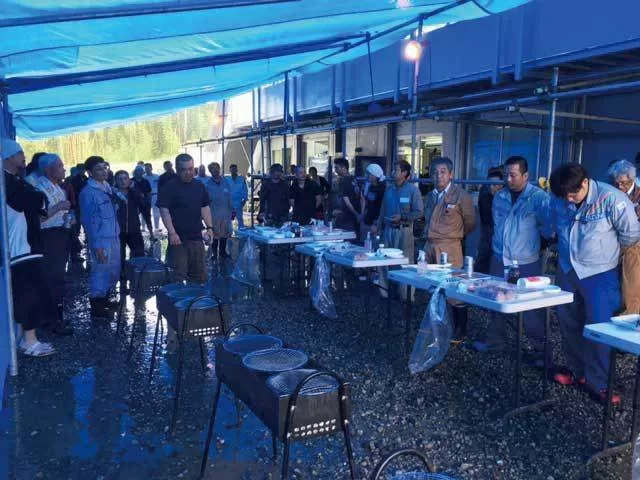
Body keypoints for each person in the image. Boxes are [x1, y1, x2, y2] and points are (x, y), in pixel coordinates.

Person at [550, 163, 640, 405]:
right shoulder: (559, 197)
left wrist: (607, 256)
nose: (568, 199)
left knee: (599, 327)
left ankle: (599, 381)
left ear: (585, 182)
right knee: (569, 323)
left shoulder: (611, 198)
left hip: (600, 273)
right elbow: (554, 226)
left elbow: (631, 235)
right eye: (564, 195)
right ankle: (577, 371)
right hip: (567, 270)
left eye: (573, 194)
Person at [472, 156, 550, 361]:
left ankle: (540, 350)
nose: (508, 179)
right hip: (500, 258)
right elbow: (495, 225)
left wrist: (534, 248)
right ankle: (495, 341)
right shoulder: (500, 196)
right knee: (495, 300)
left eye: (513, 175)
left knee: (531, 307)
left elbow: (548, 229)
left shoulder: (539, 199)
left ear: (526, 175)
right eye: (506, 174)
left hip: (526, 261)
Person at [3, 138, 57, 355]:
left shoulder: (14, 179)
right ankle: (29, 341)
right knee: (28, 294)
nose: (23, 156)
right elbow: (31, 200)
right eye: (19, 153)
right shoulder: (6, 181)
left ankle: (31, 338)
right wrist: (39, 198)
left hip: (26, 244)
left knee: (34, 291)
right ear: (7, 157)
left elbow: (38, 199)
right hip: (19, 246)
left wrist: (38, 198)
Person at [423, 157, 476, 341]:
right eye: (435, 172)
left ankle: (461, 330)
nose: (438, 176)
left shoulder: (461, 196)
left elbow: (470, 223)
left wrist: (453, 236)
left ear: (451, 174)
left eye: (443, 172)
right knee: (433, 286)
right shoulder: (431, 196)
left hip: (450, 247)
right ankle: (438, 325)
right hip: (430, 245)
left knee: (454, 290)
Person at [157, 153, 214, 284]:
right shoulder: (169, 187)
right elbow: (164, 210)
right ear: (177, 170)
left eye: (190, 169)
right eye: (184, 170)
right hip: (178, 239)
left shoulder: (199, 185)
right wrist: (172, 233)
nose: (188, 173)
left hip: (197, 238)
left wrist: (210, 228)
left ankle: (195, 297)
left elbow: (205, 207)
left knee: (199, 276)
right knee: (178, 276)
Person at [36, 154, 74, 335]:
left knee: (58, 278)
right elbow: (39, 217)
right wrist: (59, 207)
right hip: (48, 236)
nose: (64, 169)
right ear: (48, 170)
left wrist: (67, 217)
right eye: (60, 166)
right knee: (53, 278)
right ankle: (51, 321)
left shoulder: (57, 186)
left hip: (60, 233)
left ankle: (56, 316)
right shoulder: (39, 187)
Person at [79, 156, 121, 319]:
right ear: (89, 173)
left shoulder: (107, 187)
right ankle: (97, 306)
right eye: (98, 169)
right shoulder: (88, 193)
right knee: (100, 271)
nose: (104, 171)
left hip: (113, 235)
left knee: (113, 270)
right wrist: (96, 246)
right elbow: (88, 222)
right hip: (101, 239)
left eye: (105, 167)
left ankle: (105, 299)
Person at [376, 160, 423, 298]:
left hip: (404, 231)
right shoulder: (389, 189)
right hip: (387, 231)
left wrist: (402, 217)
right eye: (393, 170)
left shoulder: (413, 190)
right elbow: (382, 210)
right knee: (383, 261)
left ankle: (406, 296)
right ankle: (384, 293)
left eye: (396, 170)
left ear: (404, 173)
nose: (392, 172)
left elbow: (419, 212)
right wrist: (378, 226)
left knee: (405, 263)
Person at [114, 170, 153, 266]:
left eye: (125, 178)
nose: (123, 181)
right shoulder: (112, 194)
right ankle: (122, 274)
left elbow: (144, 204)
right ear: (116, 181)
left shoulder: (134, 192)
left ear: (129, 180)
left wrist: (133, 189)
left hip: (134, 230)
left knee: (139, 256)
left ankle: (136, 274)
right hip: (118, 231)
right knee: (119, 258)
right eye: (120, 179)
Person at [475, 166, 504, 274]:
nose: (492, 187)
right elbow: (487, 220)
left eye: (495, 184)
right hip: (487, 237)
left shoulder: (507, 198)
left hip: (502, 242)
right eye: (489, 184)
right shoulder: (485, 195)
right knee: (481, 269)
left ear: (502, 185)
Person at [206, 162, 233, 259]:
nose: (215, 170)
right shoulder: (207, 184)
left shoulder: (226, 181)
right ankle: (214, 253)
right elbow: (205, 201)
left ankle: (222, 252)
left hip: (226, 213)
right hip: (213, 214)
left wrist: (232, 210)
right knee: (215, 234)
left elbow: (230, 196)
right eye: (213, 168)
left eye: (217, 168)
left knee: (225, 234)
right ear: (210, 171)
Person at [333, 157, 360, 232]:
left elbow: (347, 202)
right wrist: (359, 215)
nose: (335, 170)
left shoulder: (343, 181)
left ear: (343, 168)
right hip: (354, 218)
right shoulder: (354, 179)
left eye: (336, 168)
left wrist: (356, 214)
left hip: (345, 218)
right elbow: (361, 198)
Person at [360, 163, 386, 241]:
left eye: (369, 174)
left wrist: (376, 223)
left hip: (375, 224)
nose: (367, 176)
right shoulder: (370, 187)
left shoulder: (382, 189)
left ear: (375, 175)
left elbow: (382, 207)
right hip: (367, 220)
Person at [226, 164, 248, 228]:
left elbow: (245, 189)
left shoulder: (241, 179)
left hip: (238, 202)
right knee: (229, 219)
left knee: (240, 218)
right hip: (229, 202)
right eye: (232, 169)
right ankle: (229, 232)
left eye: (234, 169)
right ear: (230, 170)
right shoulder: (227, 179)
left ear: (237, 170)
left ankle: (241, 230)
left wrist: (245, 199)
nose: (233, 171)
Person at [132, 165, 152, 232]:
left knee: (148, 219)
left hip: (145, 203)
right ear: (135, 172)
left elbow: (149, 192)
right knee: (134, 219)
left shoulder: (145, 181)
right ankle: (136, 233)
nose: (140, 173)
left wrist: (149, 202)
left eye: (141, 171)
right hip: (134, 204)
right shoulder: (131, 181)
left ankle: (151, 233)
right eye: (138, 171)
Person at [143, 163, 161, 231]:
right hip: (145, 196)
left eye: (148, 168)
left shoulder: (157, 176)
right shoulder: (143, 177)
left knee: (156, 212)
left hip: (155, 195)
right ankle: (143, 227)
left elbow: (161, 186)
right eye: (146, 168)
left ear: (151, 168)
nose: (147, 169)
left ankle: (156, 227)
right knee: (144, 212)